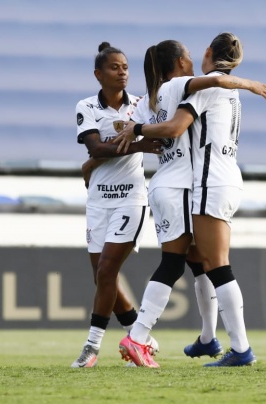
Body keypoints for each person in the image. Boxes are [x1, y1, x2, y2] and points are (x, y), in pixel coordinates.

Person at [115, 32, 266, 367]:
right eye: (185, 55)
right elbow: (174, 126)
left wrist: (136, 130)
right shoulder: (193, 86)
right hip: (199, 184)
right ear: (181, 63)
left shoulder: (156, 96)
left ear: (207, 53)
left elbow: (132, 126)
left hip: (187, 184)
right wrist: (248, 84)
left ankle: (209, 339)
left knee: (201, 262)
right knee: (201, 263)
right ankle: (201, 340)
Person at [71, 42, 163, 368]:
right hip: (97, 200)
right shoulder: (86, 107)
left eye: (125, 67)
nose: (122, 71)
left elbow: (158, 139)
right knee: (102, 277)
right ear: (98, 74)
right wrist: (137, 144)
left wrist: (107, 154)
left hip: (130, 198)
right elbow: (95, 148)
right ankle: (141, 338)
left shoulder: (139, 106)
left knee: (108, 269)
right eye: (114, 67)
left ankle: (91, 347)